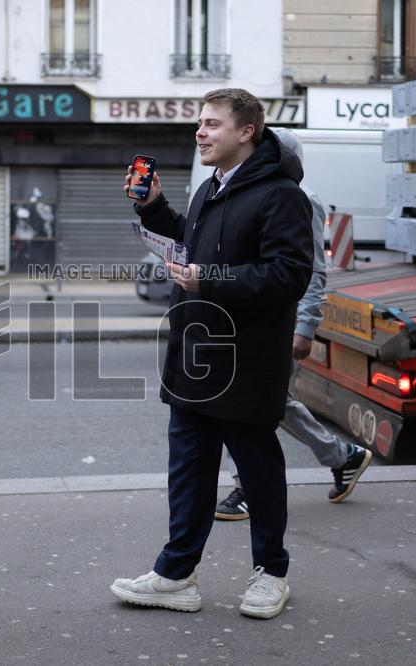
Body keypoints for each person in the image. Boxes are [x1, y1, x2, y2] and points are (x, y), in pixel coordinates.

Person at [109, 89, 313, 620]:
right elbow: (192, 240)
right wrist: (153, 207)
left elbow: (289, 274)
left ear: (246, 131)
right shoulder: (210, 187)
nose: (200, 133)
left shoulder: (280, 195)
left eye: (212, 124)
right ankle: (176, 574)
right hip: (194, 356)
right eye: (199, 123)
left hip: (246, 361)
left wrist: (210, 279)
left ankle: (271, 572)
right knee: (188, 472)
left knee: (258, 471)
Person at [214, 128, 372, 522]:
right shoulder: (248, 192)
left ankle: (248, 485)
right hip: (248, 320)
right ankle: (343, 456)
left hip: (279, 322)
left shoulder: (299, 198)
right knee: (269, 402)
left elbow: (313, 269)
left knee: (248, 405)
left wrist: (306, 325)